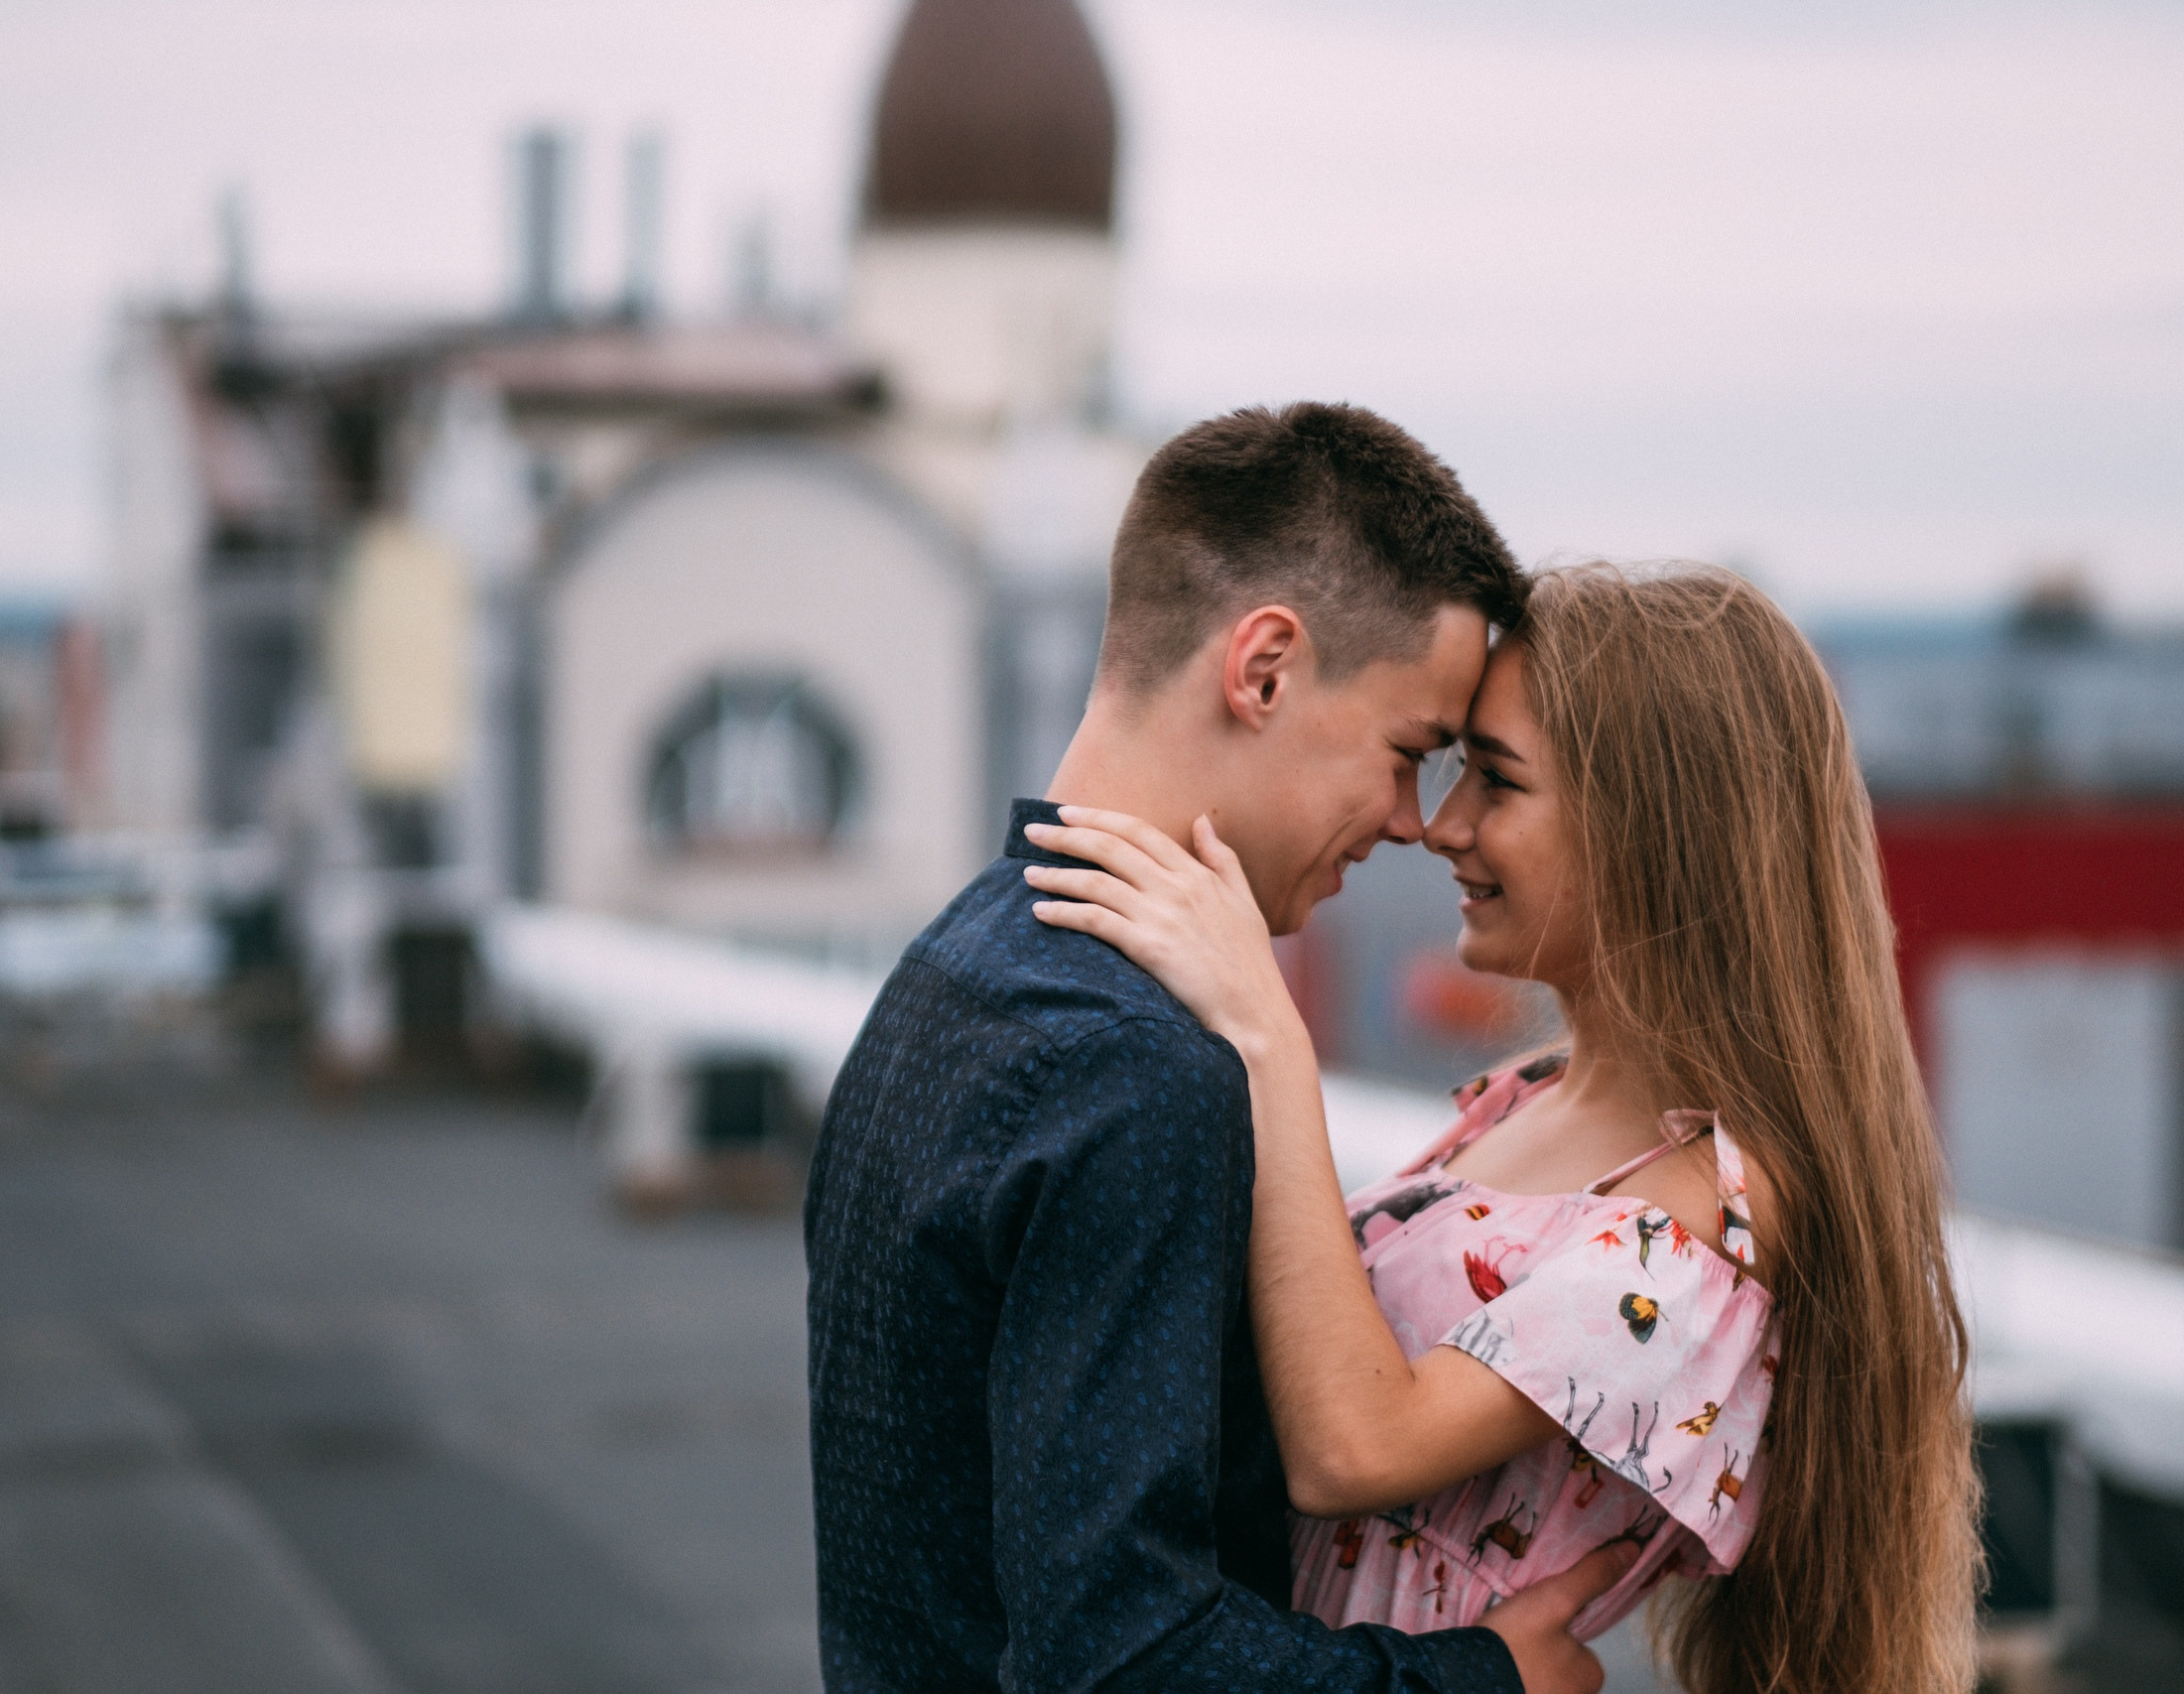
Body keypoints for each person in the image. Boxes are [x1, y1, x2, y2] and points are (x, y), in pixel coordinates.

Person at [1024, 562, 1983, 1694]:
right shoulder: (1529, 1091)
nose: (1442, 825)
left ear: (1650, 834)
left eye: (1496, 780)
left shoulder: (1708, 1221)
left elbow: (1352, 1450)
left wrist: (1264, 1035)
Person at [805, 404, 1632, 1694]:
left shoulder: (950, 971)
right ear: (1262, 670)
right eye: (1409, 751)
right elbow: (1121, 1653)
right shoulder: (1137, 1070)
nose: (1413, 822)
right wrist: (1478, 1678)